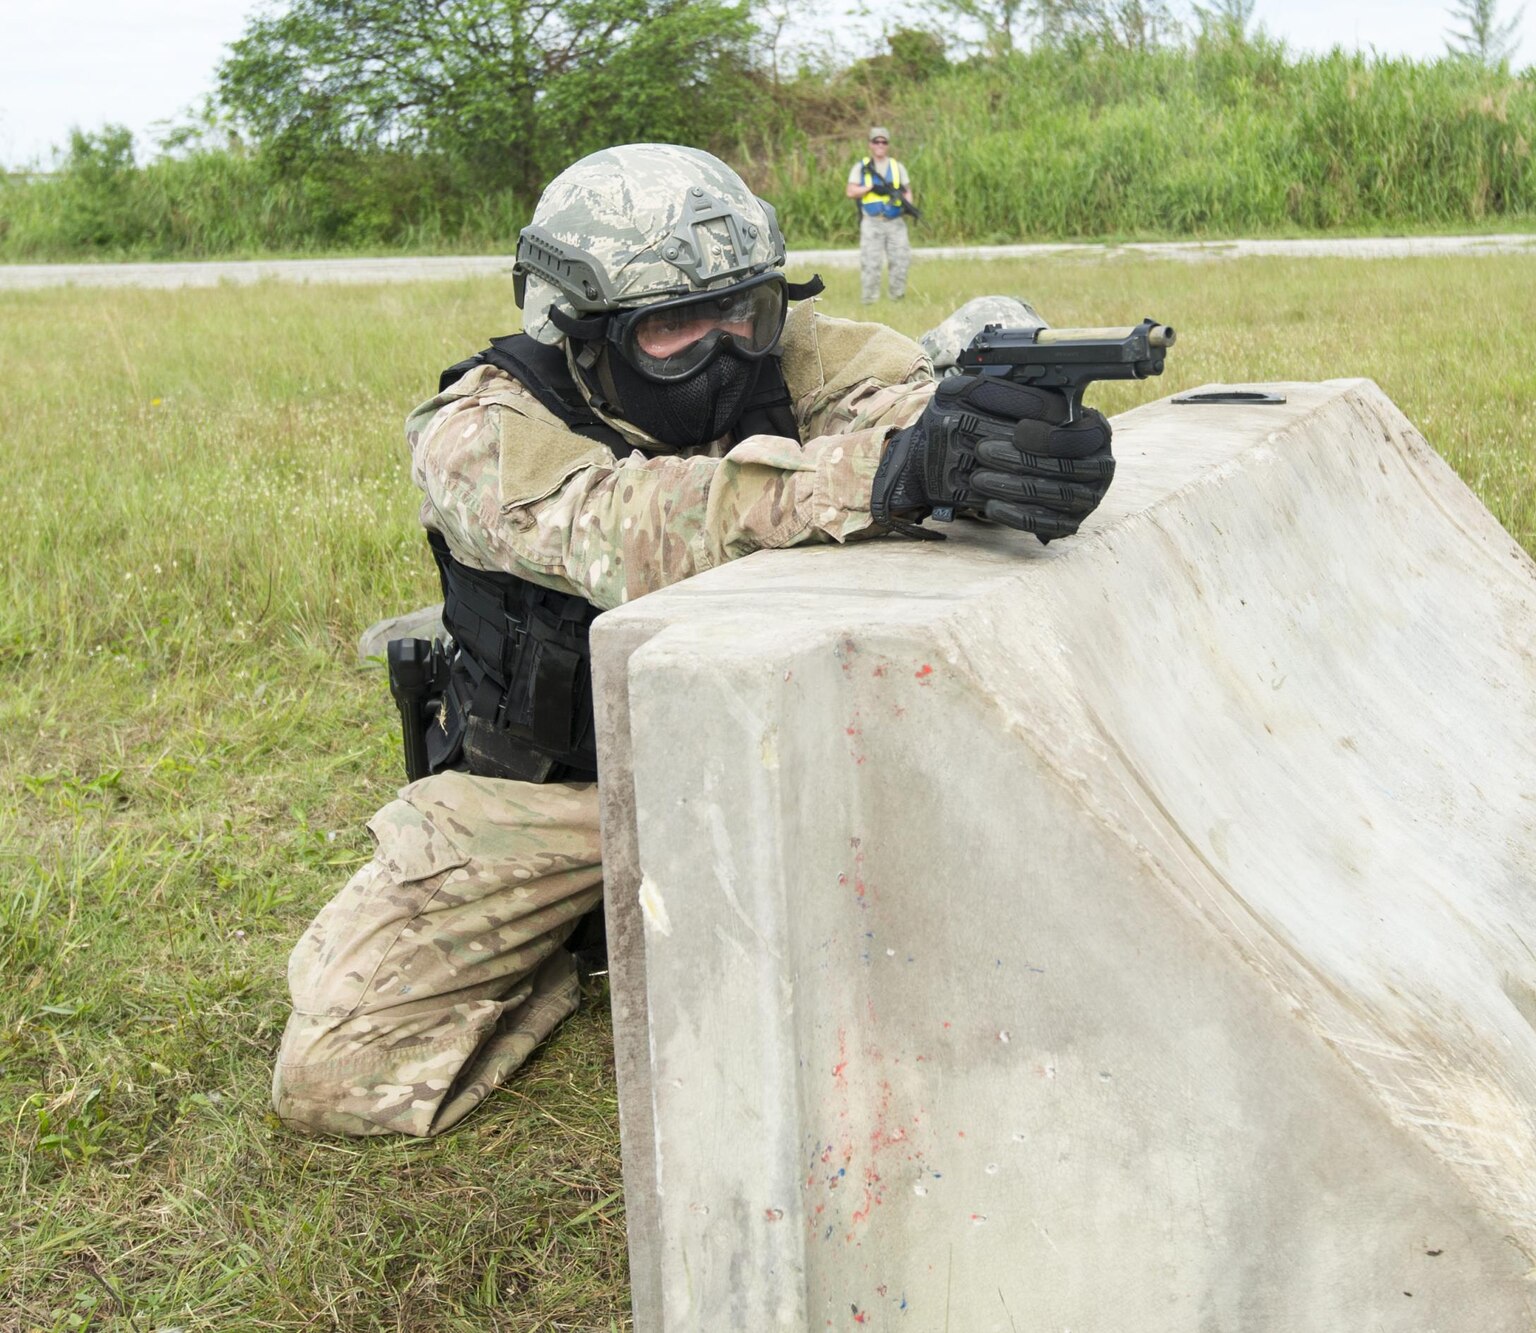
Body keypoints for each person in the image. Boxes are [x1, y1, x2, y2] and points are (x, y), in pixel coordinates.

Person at [268, 144, 1115, 1138]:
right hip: (555, 793)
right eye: (671, 326)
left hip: (783, 757)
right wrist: (881, 479)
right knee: (335, 1075)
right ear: (581, 330)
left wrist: (1001, 443)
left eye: (742, 312)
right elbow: (630, 529)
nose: (723, 347)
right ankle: (584, 944)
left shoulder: (793, 351)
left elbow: (901, 410)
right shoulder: (484, 427)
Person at [845, 126, 915, 304]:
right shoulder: (861, 167)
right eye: (876, 141)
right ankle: (869, 301)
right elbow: (851, 191)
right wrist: (870, 188)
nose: (880, 144)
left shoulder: (897, 166)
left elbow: (907, 191)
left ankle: (897, 298)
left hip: (895, 222)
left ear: (888, 144)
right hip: (872, 222)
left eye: (884, 141)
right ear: (870, 144)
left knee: (900, 260)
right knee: (871, 263)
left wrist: (907, 206)